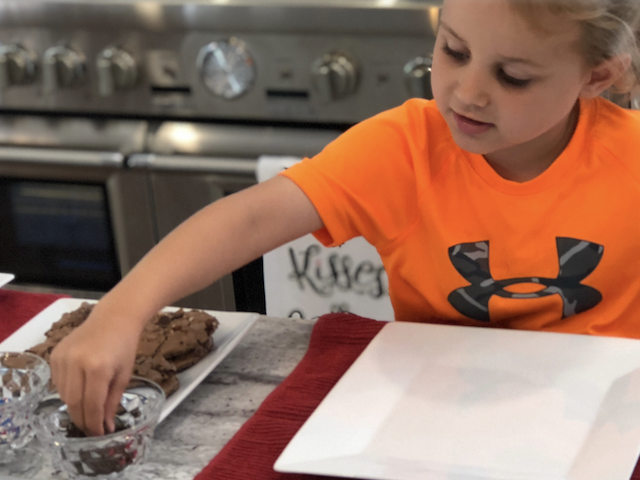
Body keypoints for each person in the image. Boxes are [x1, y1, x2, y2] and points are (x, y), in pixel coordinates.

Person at [51, 0, 640, 436]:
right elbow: (249, 220)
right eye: (453, 50)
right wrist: (121, 311)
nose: (467, 92)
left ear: (596, 77)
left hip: (605, 421)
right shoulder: (405, 149)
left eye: (512, 76)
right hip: (439, 419)